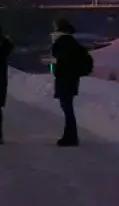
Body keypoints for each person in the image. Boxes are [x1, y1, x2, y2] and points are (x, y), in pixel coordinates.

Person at [51, 18, 92, 147]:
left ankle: (70, 137)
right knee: (68, 109)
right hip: (70, 80)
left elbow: (64, 62)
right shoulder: (70, 42)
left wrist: (59, 71)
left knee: (68, 110)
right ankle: (69, 136)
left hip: (66, 80)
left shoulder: (63, 43)